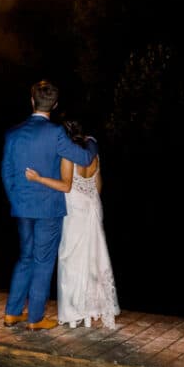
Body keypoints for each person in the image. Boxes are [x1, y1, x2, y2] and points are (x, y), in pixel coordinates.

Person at [1, 80, 99, 331]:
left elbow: (7, 173)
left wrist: (16, 200)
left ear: (32, 100)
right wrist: (92, 141)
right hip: (48, 210)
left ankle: (12, 313)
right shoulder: (56, 134)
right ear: (54, 105)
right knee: (43, 262)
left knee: (25, 257)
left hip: (22, 208)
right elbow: (86, 157)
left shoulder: (13, 134)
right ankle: (35, 318)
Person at [25, 116, 120, 329]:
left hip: (75, 210)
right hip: (93, 207)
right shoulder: (93, 155)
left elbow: (65, 186)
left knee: (71, 259)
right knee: (92, 258)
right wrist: (90, 201)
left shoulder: (69, 156)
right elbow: (98, 185)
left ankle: (74, 314)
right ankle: (90, 313)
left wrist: (38, 179)